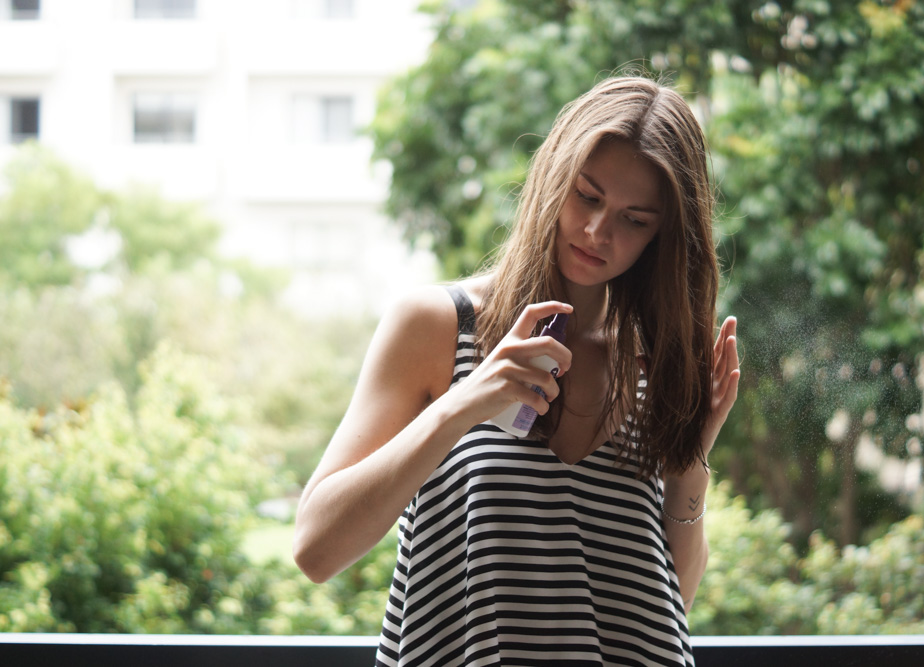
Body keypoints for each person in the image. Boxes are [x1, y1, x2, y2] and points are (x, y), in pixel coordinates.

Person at [293, 74, 741, 666]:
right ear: (553, 179)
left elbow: (659, 611)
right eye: (587, 195)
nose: (597, 231)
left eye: (634, 219)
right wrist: (462, 403)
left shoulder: (652, 367)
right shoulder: (438, 326)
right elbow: (316, 550)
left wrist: (689, 465)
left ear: (662, 236)